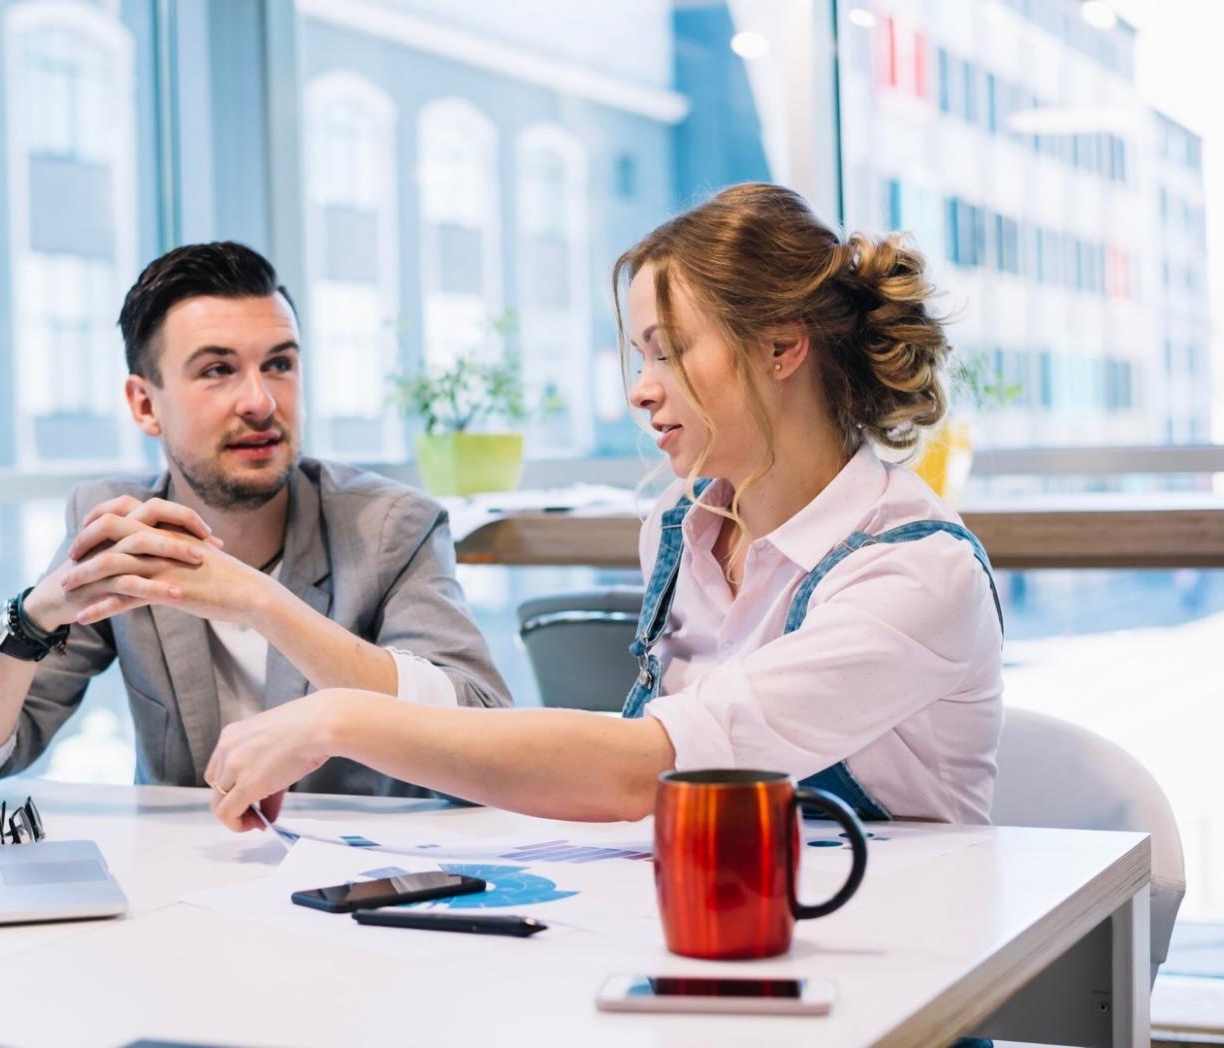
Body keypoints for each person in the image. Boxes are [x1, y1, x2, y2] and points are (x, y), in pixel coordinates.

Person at [205, 183, 1004, 832]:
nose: (639, 388)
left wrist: (334, 721)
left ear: (780, 345)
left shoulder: (913, 571)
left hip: (894, 979)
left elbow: (648, 768)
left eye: (669, 348)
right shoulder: (681, 524)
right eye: (639, 354)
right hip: (722, 938)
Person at [0, 242, 511, 801]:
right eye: (217, 370)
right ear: (144, 405)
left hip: (370, 877)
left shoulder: (390, 527)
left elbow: (486, 734)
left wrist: (262, 601)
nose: (260, 401)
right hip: (188, 877)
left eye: (280, 364)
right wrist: (32, 617)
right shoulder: (118, 530)